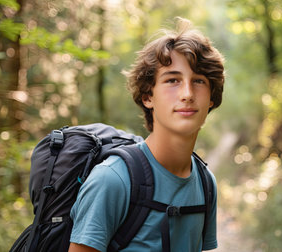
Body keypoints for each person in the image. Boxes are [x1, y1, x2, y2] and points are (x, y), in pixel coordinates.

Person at [68, 17, 225, 252]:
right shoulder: (113, 180)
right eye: (172, 80)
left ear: (211, 98)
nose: (187, 93)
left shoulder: (205, 183)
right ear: (148, 97)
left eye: (199, 81)